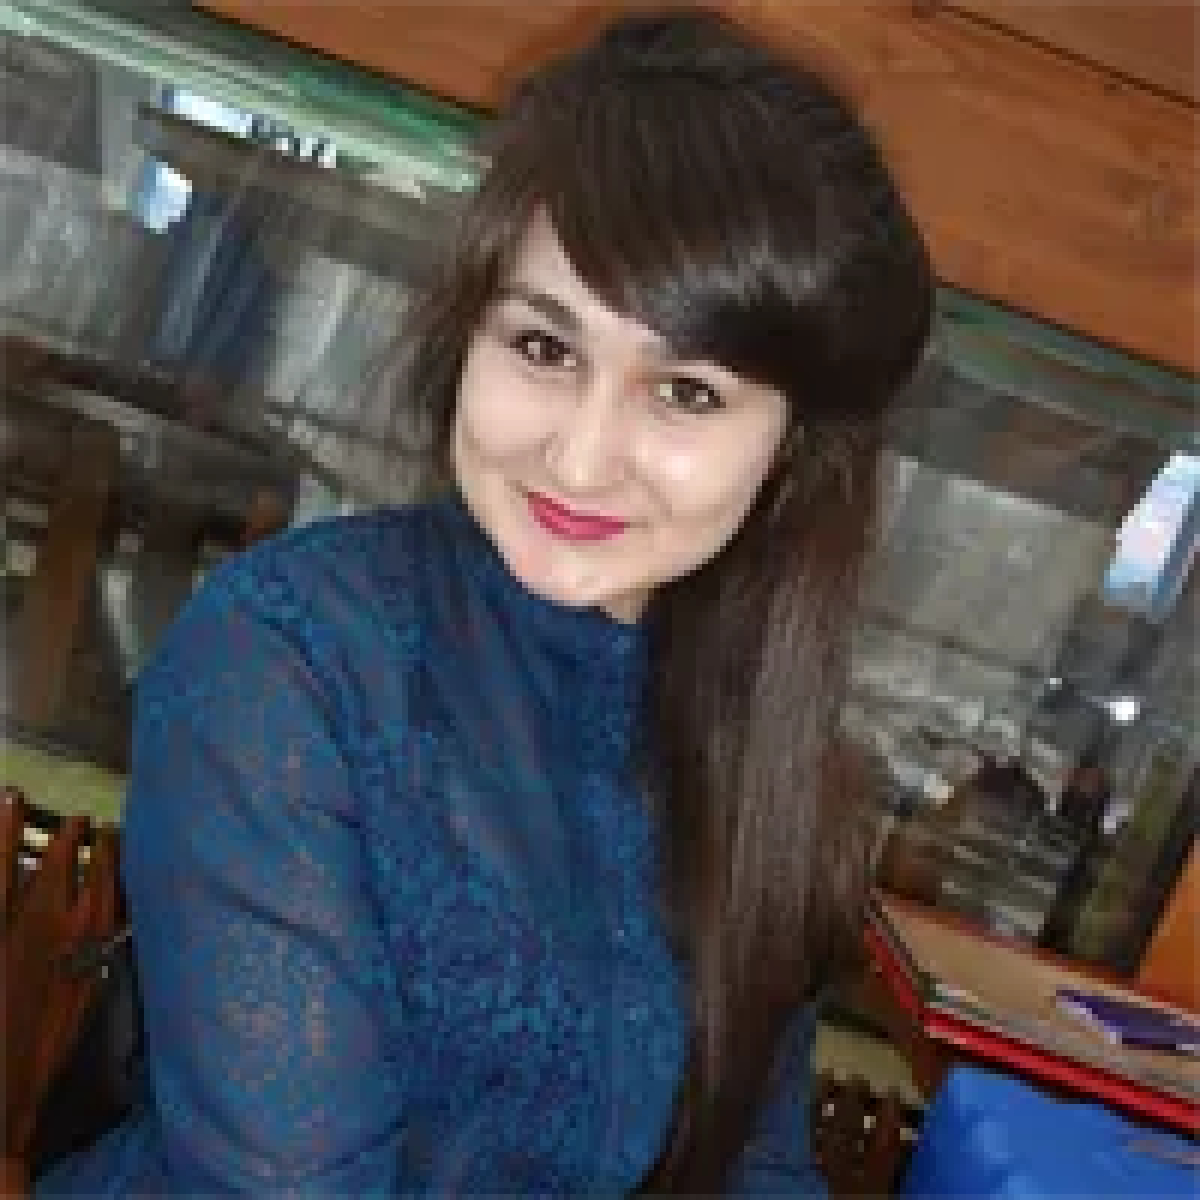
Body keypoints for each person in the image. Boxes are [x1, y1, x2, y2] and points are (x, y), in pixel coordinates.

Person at [30, 8, 933, 1195]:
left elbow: (756, 1169)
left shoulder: (768, 756)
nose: (581, 457)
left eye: (687, 394)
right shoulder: (287, 655)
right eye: (545, 349)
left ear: (794, 449)